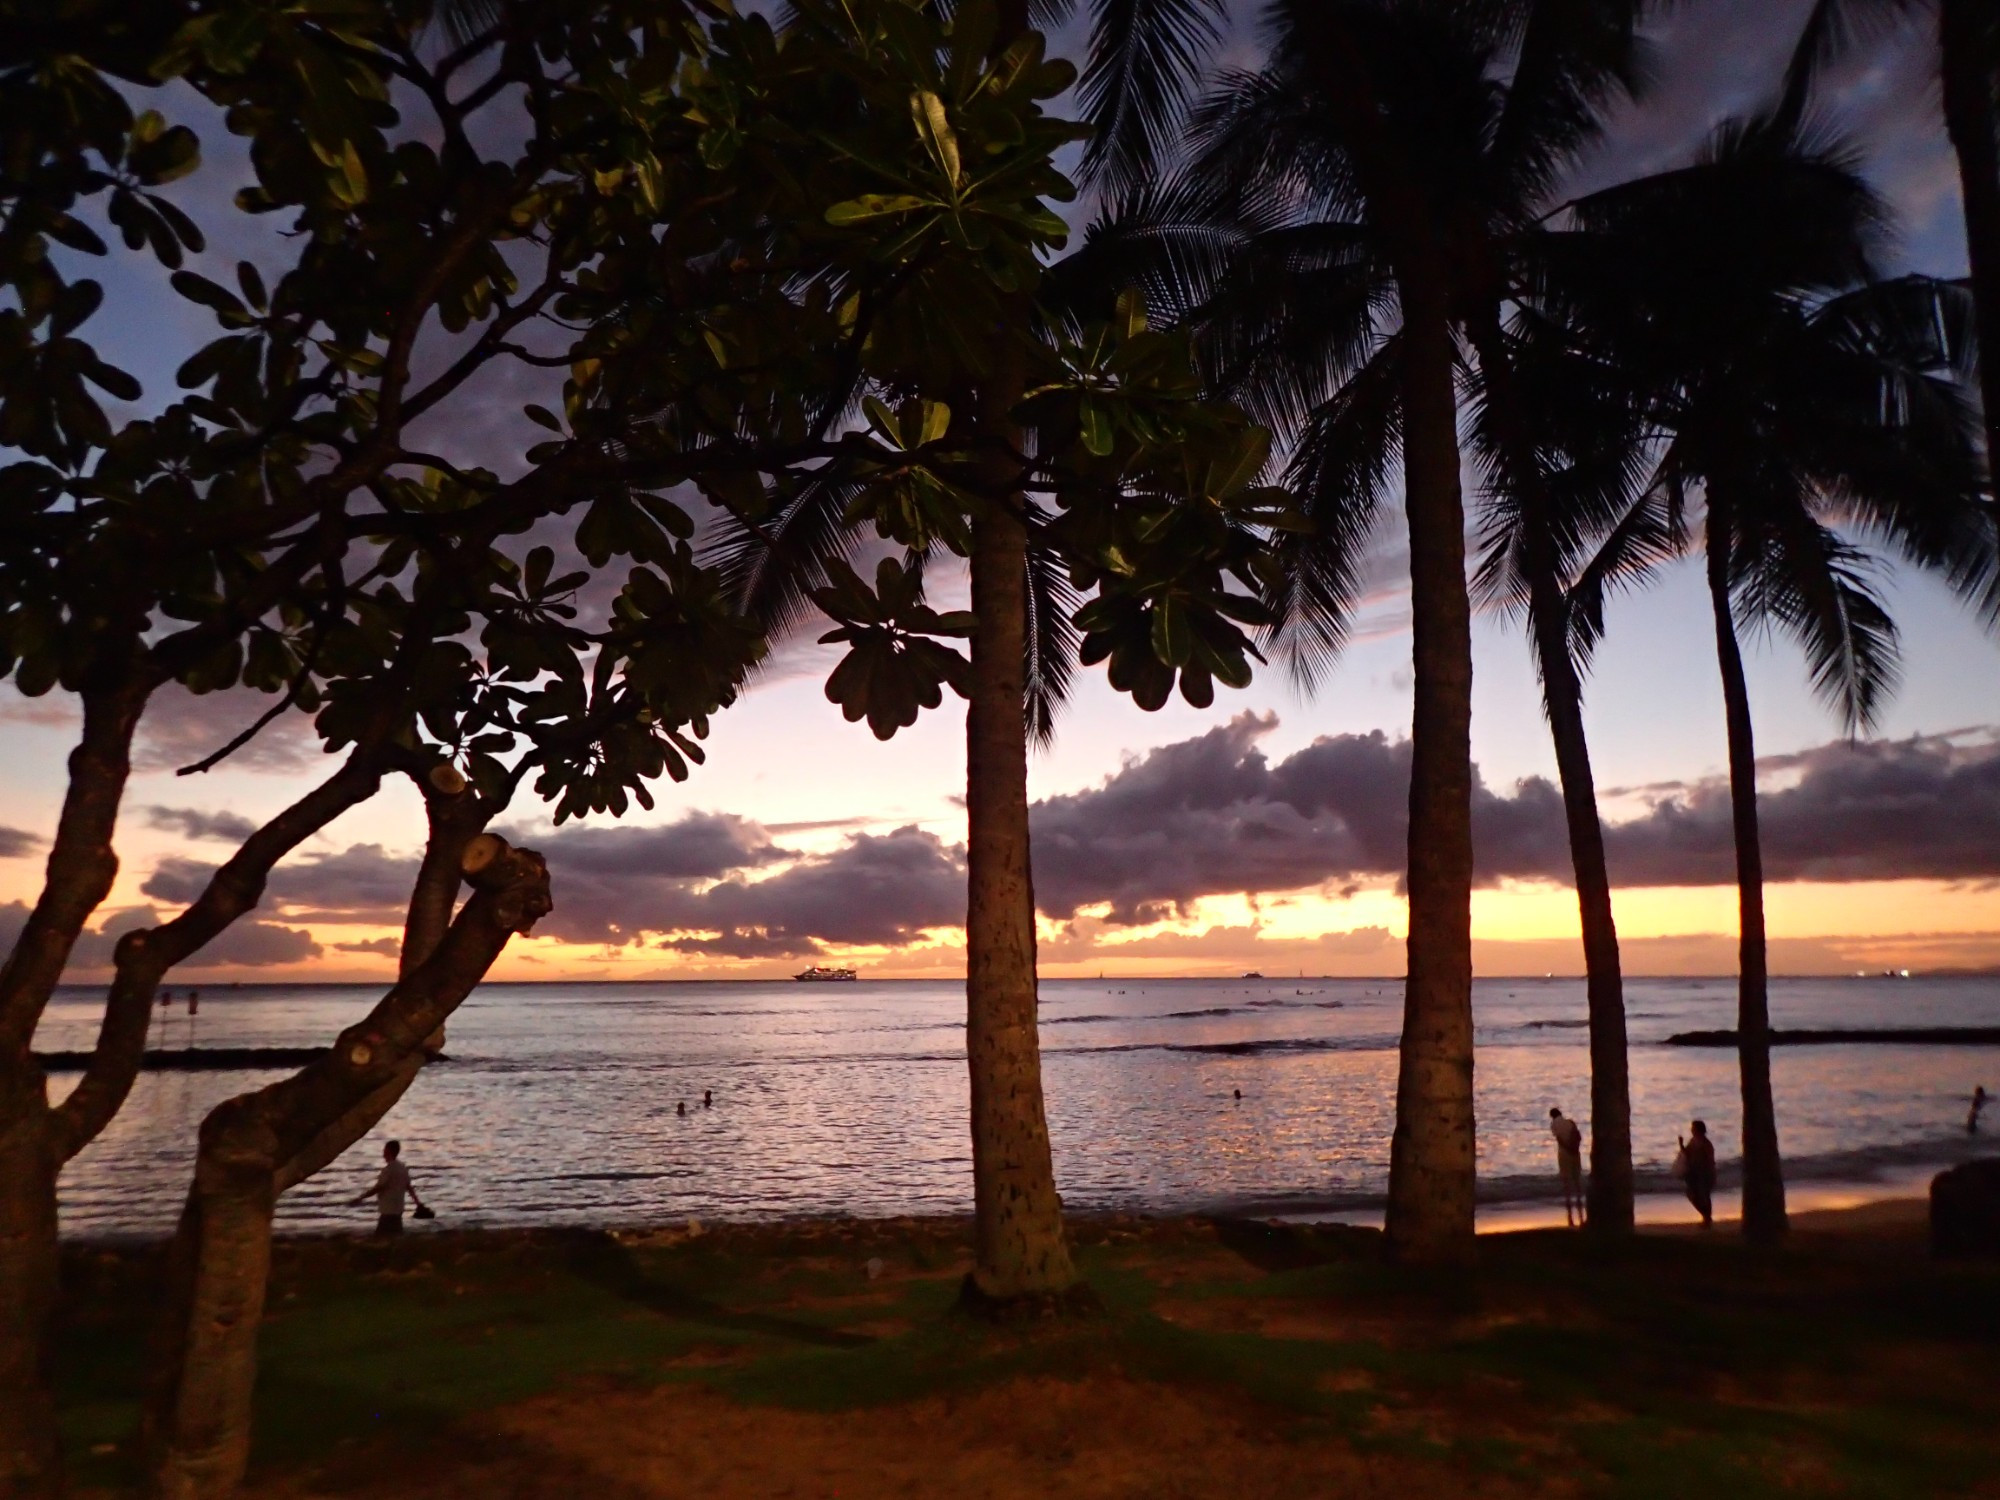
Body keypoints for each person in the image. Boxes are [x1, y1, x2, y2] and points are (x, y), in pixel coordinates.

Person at [349, 1139, 424, 1235]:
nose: (383, 1154)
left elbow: (379, 1187)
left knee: (381, 1236)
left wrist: (361, 1198)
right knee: (396, 1234)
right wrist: (418, 1203)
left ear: (389, 1151)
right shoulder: (403, 1168)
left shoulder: (388, 1170)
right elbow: (409, 1188)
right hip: (398, 1208)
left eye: (384, 1151)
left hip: (388, 1210)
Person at [1549, 1108, 1585, 1227]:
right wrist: (1575, 1148)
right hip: (1575, 1152)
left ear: (1552, 1116)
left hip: (1565, 1153)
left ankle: (1569, 1204)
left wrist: (1568, 1148)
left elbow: (1559, 1140)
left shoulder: (1554, 1124)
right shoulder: (1570, 1122)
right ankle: (1579, 1202)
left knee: (1567, 1180)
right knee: (1577, 1179)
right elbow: (1578, 1137)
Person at [1679, 1120, 1717, 1227]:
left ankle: (1707, 1219)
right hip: (1694, 1172)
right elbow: (1686, 1153)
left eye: (1693, 1128)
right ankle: (1706, 1217)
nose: (1691, 1130)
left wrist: (1710, 1172)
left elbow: (1710, 1159)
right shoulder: (1693, 1141)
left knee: (1704, 1195)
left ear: (1698, 1130)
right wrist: (1681, 1144)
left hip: (1704, 1173)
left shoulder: (1706, 1143)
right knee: (1691, 1194)